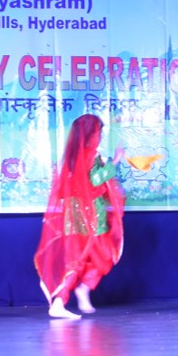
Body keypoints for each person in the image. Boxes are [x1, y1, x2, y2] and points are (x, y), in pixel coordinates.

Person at [35, 114, 125, 319]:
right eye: (99, 132)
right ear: (91, 134)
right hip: (91, 215)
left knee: (90, 256)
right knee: (94, 257)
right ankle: (61, 301)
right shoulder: (91, 155)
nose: (100, 136)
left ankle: (82, 289)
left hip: (75, 214)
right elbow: (95, 180)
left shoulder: (72, 157)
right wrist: (115, 161)